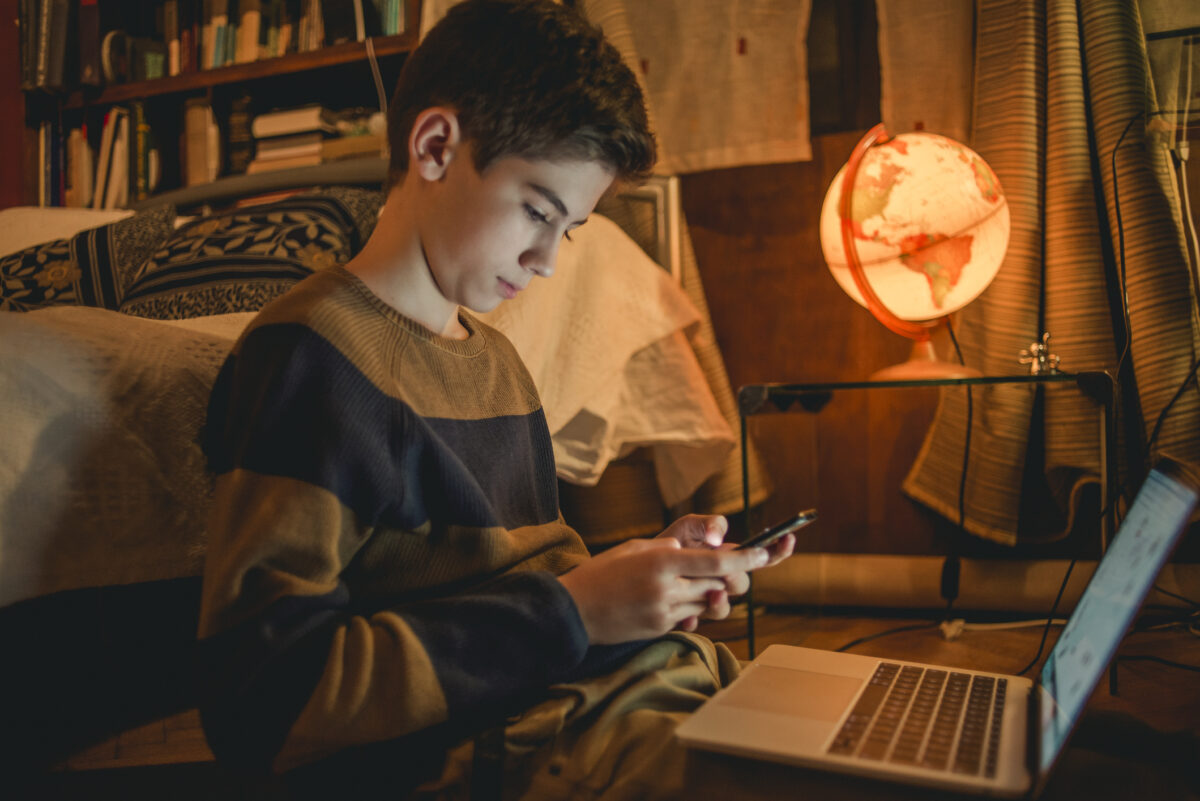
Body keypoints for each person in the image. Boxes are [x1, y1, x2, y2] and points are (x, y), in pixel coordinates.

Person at [195, 0, 794, 795]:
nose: (547, 260)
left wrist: (640, 581)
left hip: (624, 690)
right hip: (514, 746)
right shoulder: (311, 359)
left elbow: (520, 583)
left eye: (568, 229)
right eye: (538, 211)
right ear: (435, 147)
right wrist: (575, 611)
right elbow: (262, 700)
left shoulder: (497, 362)